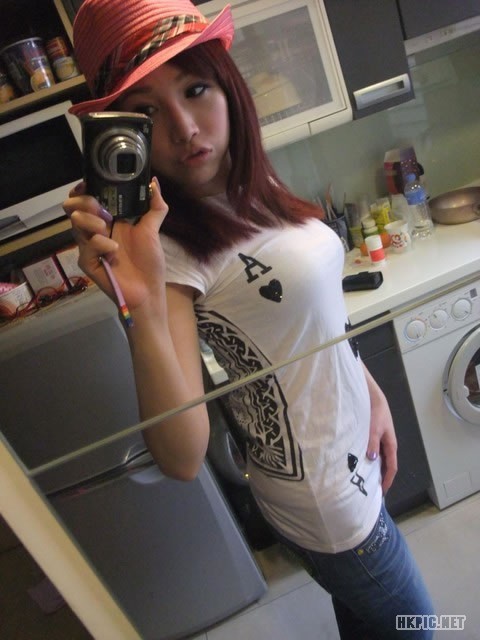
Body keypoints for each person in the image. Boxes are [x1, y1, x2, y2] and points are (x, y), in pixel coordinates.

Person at [64, 0, 435, 637]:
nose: (185, 129)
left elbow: (310, 323)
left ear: (228, 86)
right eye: (147, 113)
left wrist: (368, 391)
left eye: (195, 89)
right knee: (421, 627)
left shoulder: (247, 192)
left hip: (346, 458)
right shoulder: (166, 251)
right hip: (326, 501)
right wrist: (141, 308)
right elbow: (181, 456)